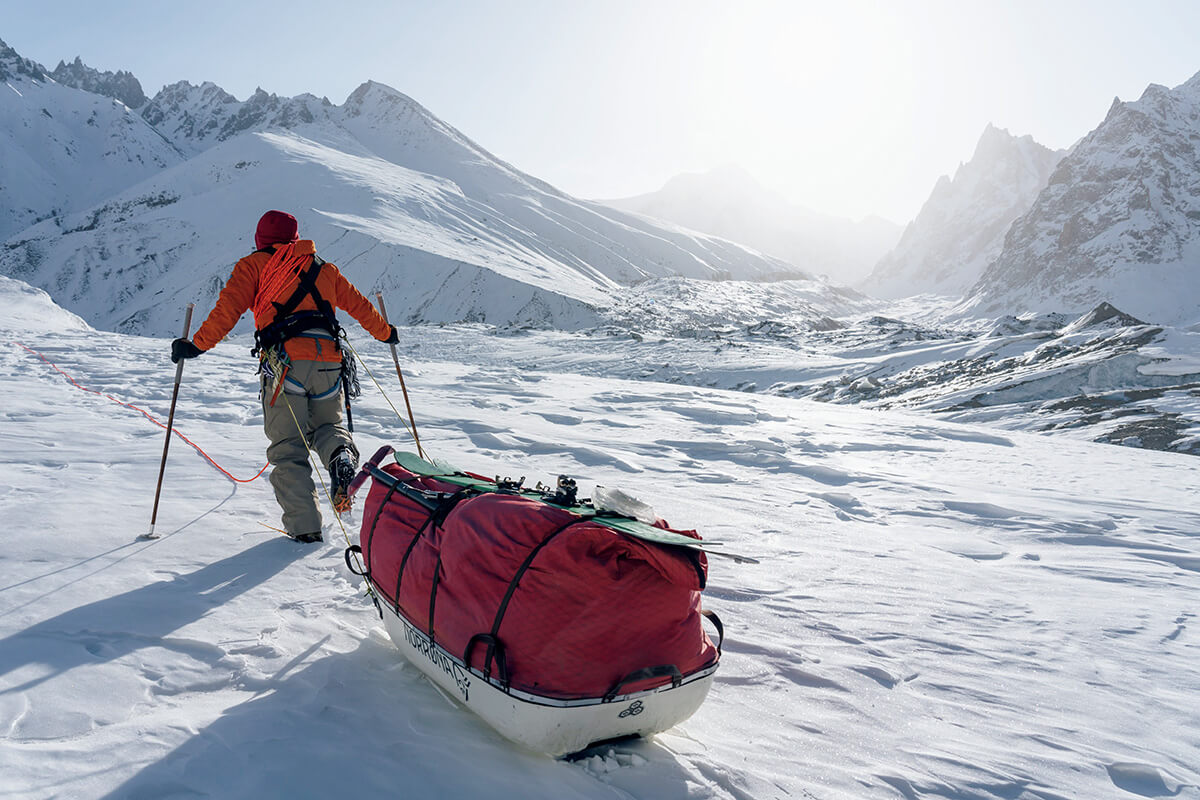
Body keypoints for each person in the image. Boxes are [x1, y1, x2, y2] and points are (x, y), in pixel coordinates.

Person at [171, 210, 398, 543]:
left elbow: (228, 310)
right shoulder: (324, 268)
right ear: (295, 237)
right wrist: (386, 333)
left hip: (285, 364)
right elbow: (360, 306)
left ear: (260, 238)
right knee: (327, 427)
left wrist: (196, 346)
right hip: (330, 362)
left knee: (289, 448)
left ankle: (305, 529)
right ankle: (341, 456)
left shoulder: (253, 266)